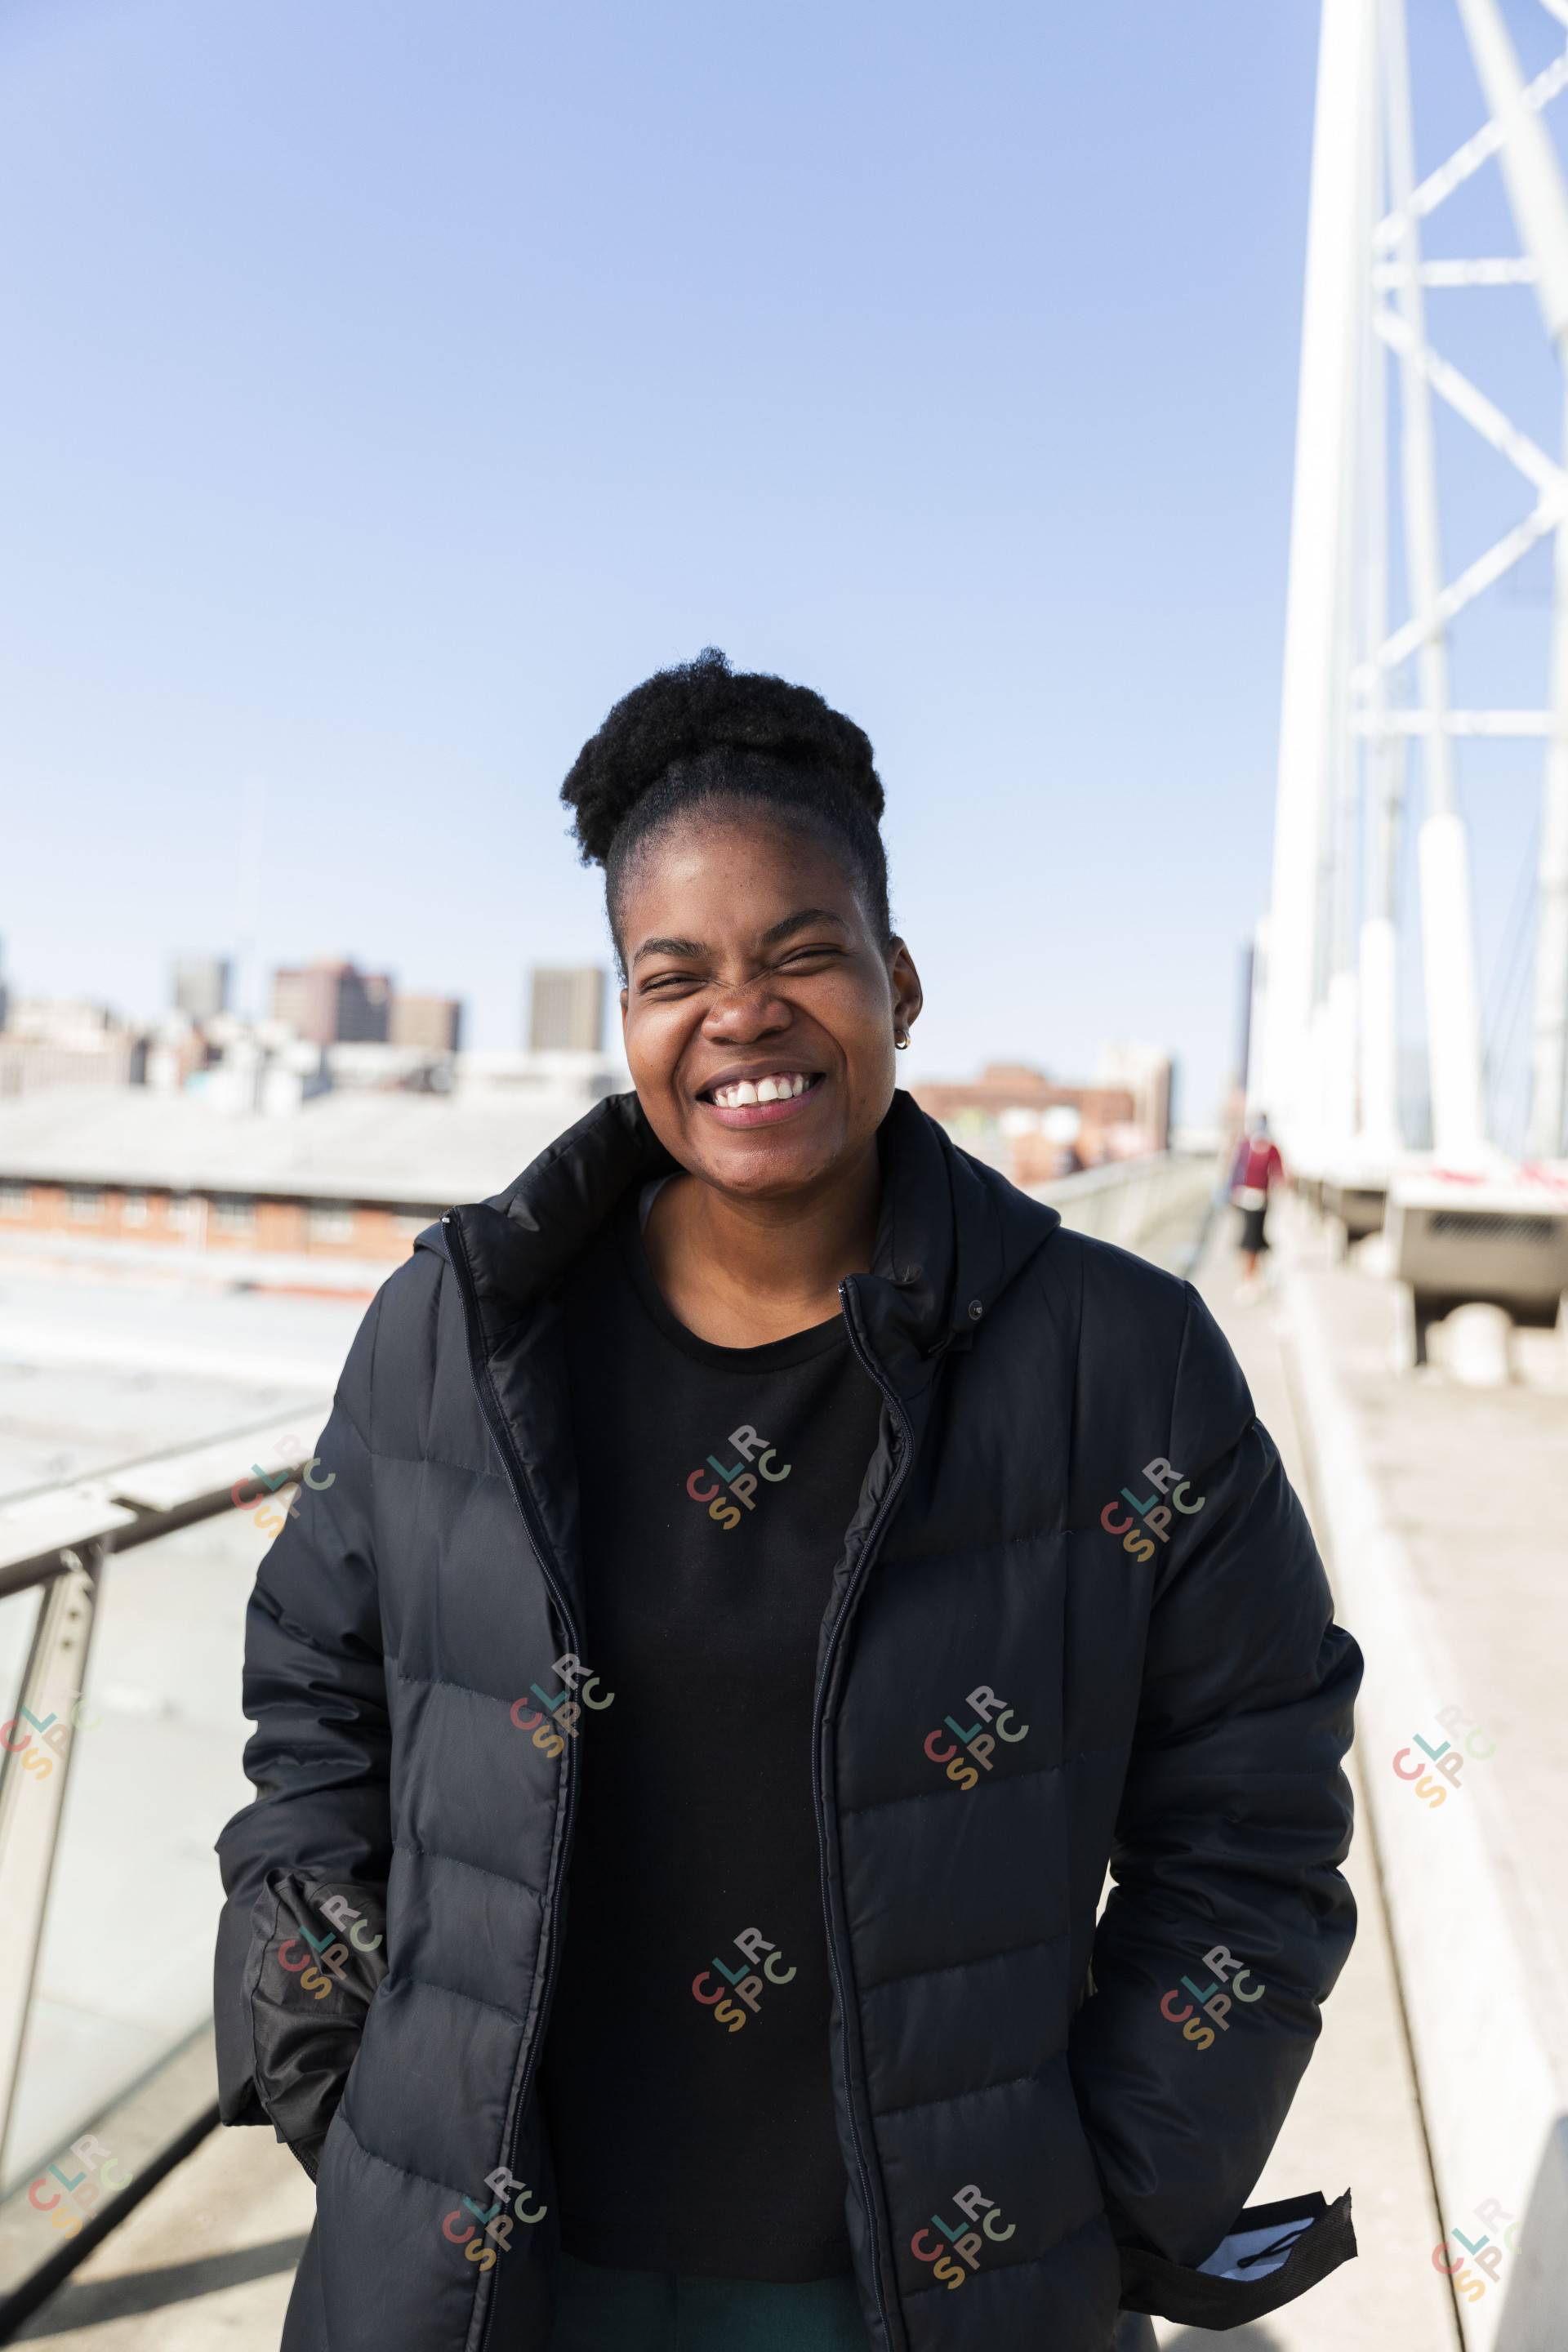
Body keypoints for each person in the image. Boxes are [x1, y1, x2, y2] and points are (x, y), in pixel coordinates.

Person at [214, 650, 1361, 2352]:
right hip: (484, 2281)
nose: (739, 1014)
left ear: (897, 978)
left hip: (914, 2293)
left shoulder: (1120, 1362)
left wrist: (1117, 2189)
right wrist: (331, 2067)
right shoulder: (462, 1327)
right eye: (672, 972)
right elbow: (312, 1702)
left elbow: (1254, 1812)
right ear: (626, 1017)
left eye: (801, 953)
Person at [1226, 1115, 1286, 1301]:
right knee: (1248, 1242)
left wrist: (1278, 1186)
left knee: (1256, 1242)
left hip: (1261, 1202)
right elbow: (1235, 1168)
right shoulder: (1245, 1145)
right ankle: (1248, 1281)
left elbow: (1280, 1173)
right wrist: (1231, 1192)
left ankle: (1253, 1280)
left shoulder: (1271, 1148)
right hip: (1245, 1199)